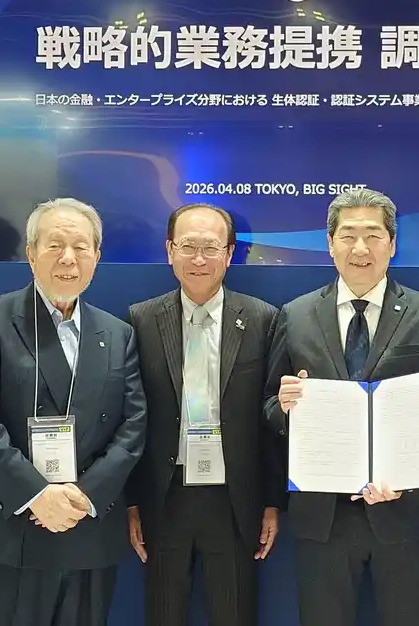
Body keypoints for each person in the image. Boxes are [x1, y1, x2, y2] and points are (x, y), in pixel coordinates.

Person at [264, 187, 419, 626]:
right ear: (329, 243)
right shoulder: (295, 315)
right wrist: (284, 405)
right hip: (322, 518)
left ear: (392, 243)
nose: (360, 248)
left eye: (373, 235)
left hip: (403, 512)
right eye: (348, 235)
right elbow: (269, 409)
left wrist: (405, 474)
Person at [0, 197, 147, 626]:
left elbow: (133, 426)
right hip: (15, 528)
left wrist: (84, 496)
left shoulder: (118, 333)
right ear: (31, 254)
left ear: (96, 256)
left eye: (81, 246)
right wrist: (38, 495)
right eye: (55, 245)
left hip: (89, 527)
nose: (68, 258)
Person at [126, 203, 283, 626]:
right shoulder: (141, 320)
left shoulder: (263, 319)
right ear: (169, 251)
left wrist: (272, 500)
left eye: (211, 247)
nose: (199, 259)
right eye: (188, 246)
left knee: (235, 614)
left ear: (229, 254)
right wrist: (132, 501)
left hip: (234, 498)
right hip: (165, 496)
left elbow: (269, 421)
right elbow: (132, 418)